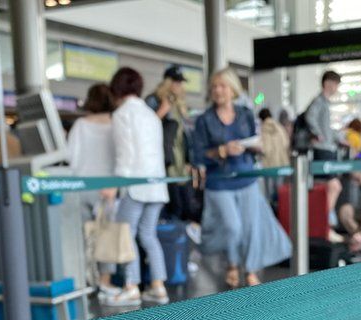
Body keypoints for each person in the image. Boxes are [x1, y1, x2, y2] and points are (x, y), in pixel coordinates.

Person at [193, 67, 291, 288]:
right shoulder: (204, 120)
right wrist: (221, 151)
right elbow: (198, 154)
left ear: (232, 89)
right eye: (214, 86)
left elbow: (257, 144)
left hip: (246, 178)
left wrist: (253, 146)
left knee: (250, 228)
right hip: (219, 182)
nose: (218, 90)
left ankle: (250, 268)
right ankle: (232, 263)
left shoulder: (246, 114)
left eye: (223, 86)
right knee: (232, 226)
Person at [103, 67, 170, 307]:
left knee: (126, 234)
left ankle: (131, 286)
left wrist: (116, 183)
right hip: (157, 185)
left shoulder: (122, 114)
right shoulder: (151, 115)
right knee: (148, 235)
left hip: (135, 184)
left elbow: (125, 154)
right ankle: (158, 286)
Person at [67, 84, 118, 298]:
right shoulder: (116, 124)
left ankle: (85, 281)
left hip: (82, 186)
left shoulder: (80, 125)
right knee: (106, 236)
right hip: (108, 187)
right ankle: (106, 282)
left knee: (81, 237)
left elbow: (71, 157)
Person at [147, 65, 201, 226]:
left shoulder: (179, 104)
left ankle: (180, 241)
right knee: (172, 206)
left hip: (179, 163)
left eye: (180, 83)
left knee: (185, 206)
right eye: (175, 82)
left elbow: (184, 136)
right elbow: (145, 129)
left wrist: (188, 160)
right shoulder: (154, 100)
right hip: (164, 161)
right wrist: (162, 111)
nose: (179, 86)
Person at [304, 71, 345, 231]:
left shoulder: (326, 103)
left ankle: (326, 219)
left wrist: (338, 139)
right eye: (335, 84)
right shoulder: (319, 101)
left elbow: (327, 128)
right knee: (334, 186)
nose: (336, 88)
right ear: (328, 83)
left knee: (331, 187)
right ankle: (324, 219)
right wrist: (318, 134)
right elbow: (310, 117)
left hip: (327, 149)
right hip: (322, 150)